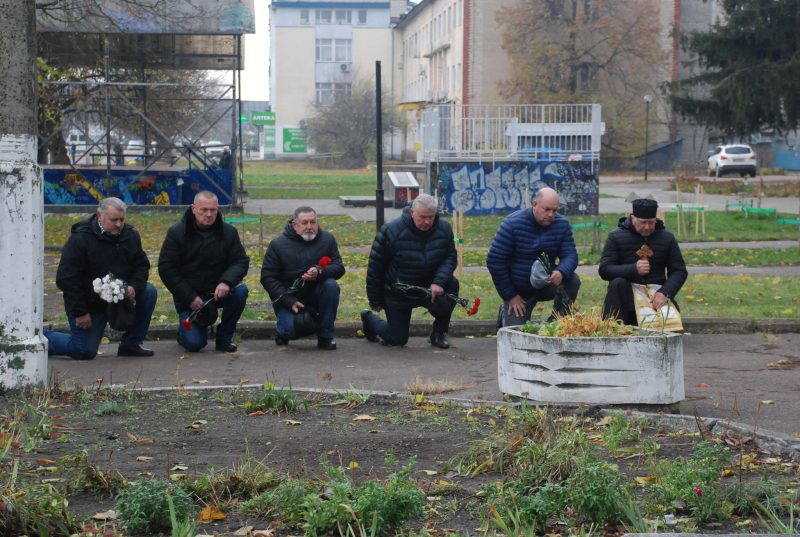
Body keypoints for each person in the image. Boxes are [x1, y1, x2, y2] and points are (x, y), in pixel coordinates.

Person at [44, 197, 157, 360]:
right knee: (83, 351)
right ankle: (41, 338)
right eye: (114, 220)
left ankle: (131, 344)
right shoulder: (80, 239)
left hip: (120, 298)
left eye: (122, 219)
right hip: (89, 304)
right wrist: (80, 312)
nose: (119, 225)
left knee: (148, 291)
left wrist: (133, 287)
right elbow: (67, 279)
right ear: (99, 215)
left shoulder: (130, 235)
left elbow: (141, 265)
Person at [361, 193, 458, 349]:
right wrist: (375, 300)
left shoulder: (444, 229)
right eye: (423, 217)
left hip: (429, 288)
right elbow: (375, 268)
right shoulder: (390, 231)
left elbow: (450, 257)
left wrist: (439, 282)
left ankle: (439, 333)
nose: (427, 222)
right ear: (412, 212)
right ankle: (369, 319)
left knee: (452, 285)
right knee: (397, 339)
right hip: (399, 291)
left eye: (431, 217)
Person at [158, 191, 250, 352]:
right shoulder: (177, 233)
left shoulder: (229, 232)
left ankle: (224, 338)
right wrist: (189, 297)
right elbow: (167, 269)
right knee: (194, 345)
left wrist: (226, 281)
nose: (209, 214)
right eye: (204, 210)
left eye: (213, 210)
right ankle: (183, 333)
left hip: (218, 292)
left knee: (241, 290)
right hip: (190, 297)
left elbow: (240, 261)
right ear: (193, 209)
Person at [487, 187, 580, 327]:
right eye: (547, 209)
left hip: (548, 283)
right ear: (535, 204)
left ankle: (556, 321)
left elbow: (570, 255)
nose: (551, 215)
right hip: (519, 289)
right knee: (515, 333)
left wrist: (561, 271)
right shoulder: (512, 224)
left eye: (555, 210)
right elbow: (495, 261)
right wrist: (510, 296)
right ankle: (505, 311)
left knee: (572, 280)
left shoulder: (562, 224)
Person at [261, 206, 345, 350]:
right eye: (304, 223)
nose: (309, 227)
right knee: (289, 331)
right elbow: (268, 278)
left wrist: (319, 273)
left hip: (317, 294)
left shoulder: (327, 239)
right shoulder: (278, 244)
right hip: (290, 297)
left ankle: (326, 336)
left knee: (331, 285)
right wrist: (288, 300)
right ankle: (283, 332)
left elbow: (339, 267)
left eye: (313, 222)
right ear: (294, 224)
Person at [599, 198, 688, 325]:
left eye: (651, 223)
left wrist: (665, 292)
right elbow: (605, 270)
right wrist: (633, 269)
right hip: (627, 295)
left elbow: (679, 271)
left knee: (667, 326)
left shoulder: (667, 237)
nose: (647, 227)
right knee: (617, 283)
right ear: (633, 218)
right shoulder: (616, 236)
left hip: (656, 294)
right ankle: (612, 328)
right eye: (642, 222)